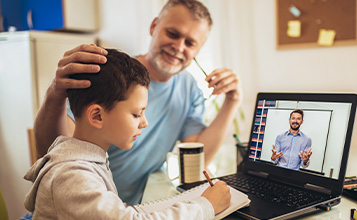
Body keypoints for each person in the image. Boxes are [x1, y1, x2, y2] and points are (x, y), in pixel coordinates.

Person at [33, 0, 241, 205]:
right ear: (154, 27)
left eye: (190, 43)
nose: (178, 47)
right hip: (88, 206)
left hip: (134, 208)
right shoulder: (111, 77)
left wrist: (232, 101)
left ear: (198, 50)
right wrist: (54, 94)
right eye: (173, 34)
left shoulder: (189, 89)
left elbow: (198, 158)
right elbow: (57, 152)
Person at [24, 49, 231, 219]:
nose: (145, 122)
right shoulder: (72, 176)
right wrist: (206, 206)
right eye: (136, 114)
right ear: (97, 116)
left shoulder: (90, 159)